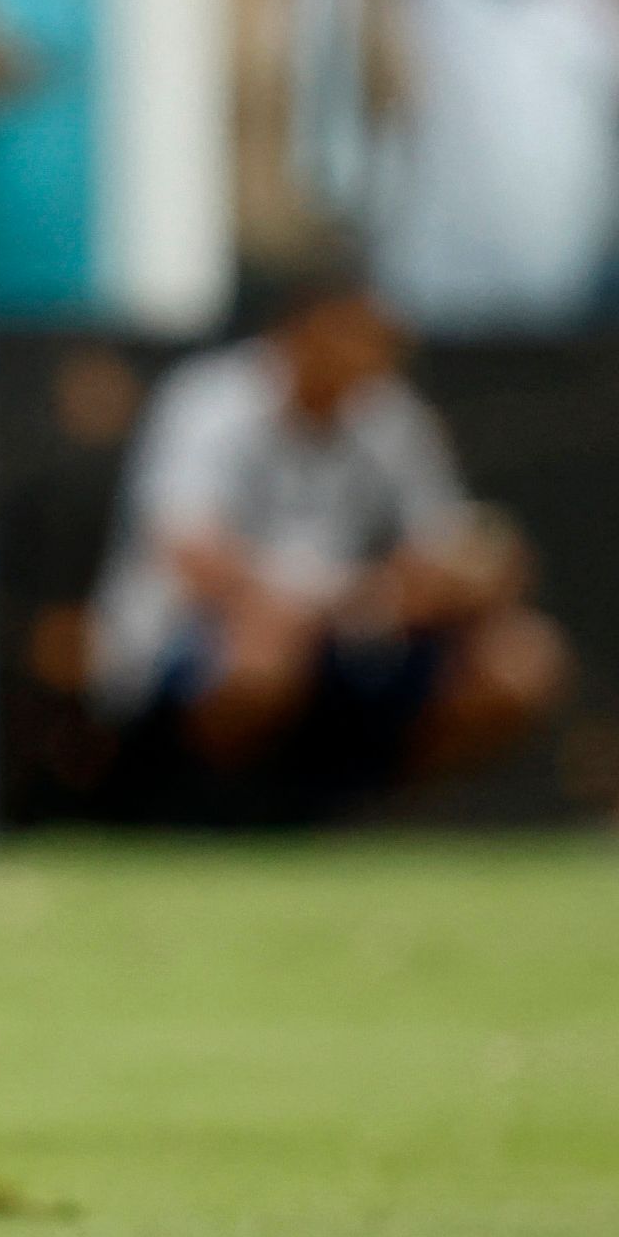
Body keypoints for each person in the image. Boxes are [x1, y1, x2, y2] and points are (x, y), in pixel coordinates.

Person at [85, 270, 573, 823]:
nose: (376, 358)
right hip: (191, 639)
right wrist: (319, 601)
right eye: (359, 337)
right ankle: (219, 819)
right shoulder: (210, 400)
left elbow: (450, 542)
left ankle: (389, 819)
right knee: (263, 644)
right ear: (303, 332)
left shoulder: (392, 414)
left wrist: (458, 576)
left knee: (523, 657)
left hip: (358, 633)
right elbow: (190, 553)